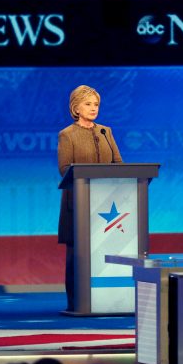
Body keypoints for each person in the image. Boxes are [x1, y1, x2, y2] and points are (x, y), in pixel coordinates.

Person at [57, 85, 123, 311]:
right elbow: (65, 169)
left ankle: (107, 300)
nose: (93, 108)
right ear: (76, 107)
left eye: (96, 104)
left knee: (104, 251)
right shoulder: (67, 135)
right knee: (77, 255)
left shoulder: (106, 132)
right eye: (88, 104)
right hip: (78, 203)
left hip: (106, 203)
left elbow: (119, 165)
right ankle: (76, 302)